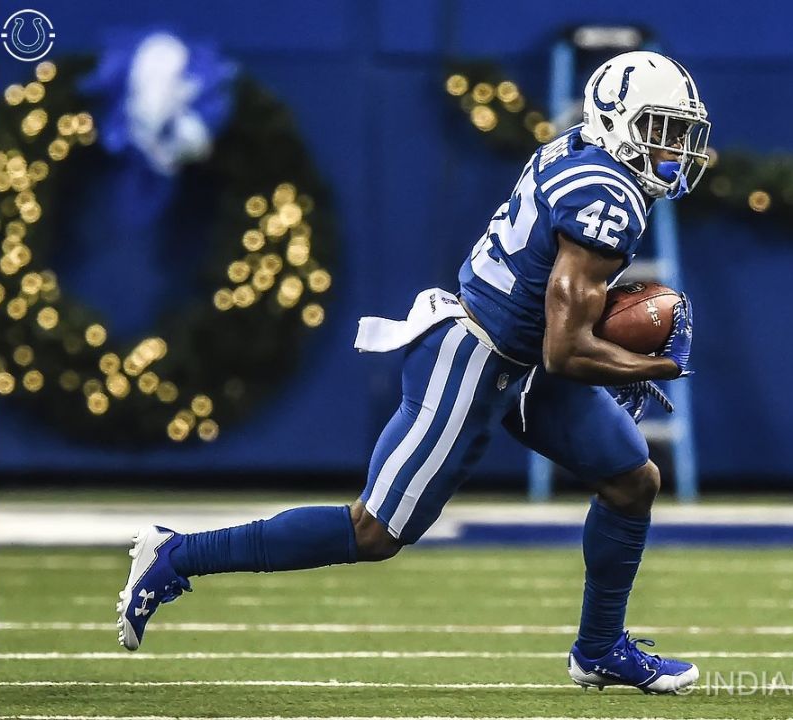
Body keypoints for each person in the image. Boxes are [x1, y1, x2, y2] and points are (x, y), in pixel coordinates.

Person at [115, 51, 710, 694]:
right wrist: (654, 362)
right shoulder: (606, 196)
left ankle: (598, 651)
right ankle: (176, 554)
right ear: (616, 123)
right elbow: (566, 352)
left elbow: (557, 334)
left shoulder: (588, 157)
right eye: (660, 129)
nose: (673, 147)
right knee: (374, 531)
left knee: (631, 480)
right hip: (475, 357)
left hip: (522, 356)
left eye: (680, 131)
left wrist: (610, 354)